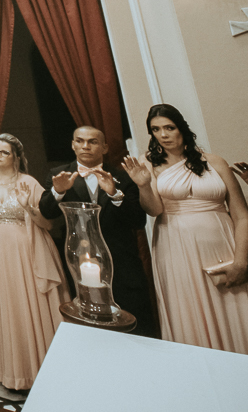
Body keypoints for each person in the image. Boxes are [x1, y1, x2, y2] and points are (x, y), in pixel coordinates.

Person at [122, 104, 248, 353]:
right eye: (156, 129)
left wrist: (242, 262)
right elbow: (155, 211)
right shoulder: (149, 165)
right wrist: (144, 186)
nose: (163, 134)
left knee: (237, 311)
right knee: (191, 311)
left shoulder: (215, 162)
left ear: (182, 128)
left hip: (225, 246)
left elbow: (242, 216)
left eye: (169, 127)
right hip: (176, 250)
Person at [0, 134, 67, 391]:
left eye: (4, 152)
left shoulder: (29, 182)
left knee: (31, 302)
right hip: (0, 250)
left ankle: (45, 368)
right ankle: (16, 371)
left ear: (16, 157)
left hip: (28, 248)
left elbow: (48, 223)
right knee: (10, 304)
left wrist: (27, 208)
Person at [37, 125, 156, 338]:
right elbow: (47, 212)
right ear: (73, 145)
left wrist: (114, 193)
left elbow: (138, 221)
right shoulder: (58, 175)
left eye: (93, 141)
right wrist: (58, 191)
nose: (86, 146)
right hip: (80, 262)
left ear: (104, 147)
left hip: (122, 260)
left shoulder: (124, 177)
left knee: (135, 320)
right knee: (91, 325)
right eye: (80, 141)